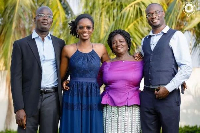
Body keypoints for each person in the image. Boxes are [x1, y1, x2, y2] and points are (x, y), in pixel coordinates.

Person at [11, 6, 65, 133]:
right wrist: (19, 108)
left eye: (49, 16)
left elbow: (64, 69)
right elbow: (15, 78)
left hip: (51, 99)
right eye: (41, 15)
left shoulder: (60, 44)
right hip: (28, 99)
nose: (45, 18)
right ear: (34, 19)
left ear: (52, 21)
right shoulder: (21, 45)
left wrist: (64, 82)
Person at [140, 3, 192, 133]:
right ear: (147, 18)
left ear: (163, 13)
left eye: (157, 12)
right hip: (147, 97)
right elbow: (145, 62)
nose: (153, 16)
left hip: (168, 97)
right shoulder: (144, 40)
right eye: (150, 14)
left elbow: (186, 68)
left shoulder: (176, 36)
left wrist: (168, 89)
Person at [59, 14, 110, 133]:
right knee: (73, 127)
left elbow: (110, 70)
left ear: (93, 29)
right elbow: (61, 75)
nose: (85, 30)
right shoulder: (68, 49)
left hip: (93, 94)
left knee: (93, 127)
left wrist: (132, 59)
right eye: (81, 27)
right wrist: (64, 81)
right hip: (73, 94)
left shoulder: (100, 48)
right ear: (76, 29)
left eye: (88, 27)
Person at [97, 29, 143, 133]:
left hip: (132, 108)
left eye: (121, 41)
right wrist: (69, 82)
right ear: (111, 47)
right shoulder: (106, 64)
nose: (118, 44)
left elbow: (153, 76)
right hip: (109, 109)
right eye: (114, 42)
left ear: (127, 43)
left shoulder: (140, 62)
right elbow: (95, 83)